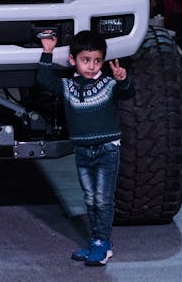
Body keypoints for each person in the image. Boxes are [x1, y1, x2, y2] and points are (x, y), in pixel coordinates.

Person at [36, 30, 133, 266]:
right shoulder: (67, 86)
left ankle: (102, 243)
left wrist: (122, 79)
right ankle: (96, 241)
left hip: (107, 149)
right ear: (73, 60)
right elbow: (44, 81)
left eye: (97, 61)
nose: (91, 66)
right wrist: (47, 52)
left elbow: (126, 93)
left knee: (103, 198)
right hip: (82, 150)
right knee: (90, 198)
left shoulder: (109, 84)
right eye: (85, 60)